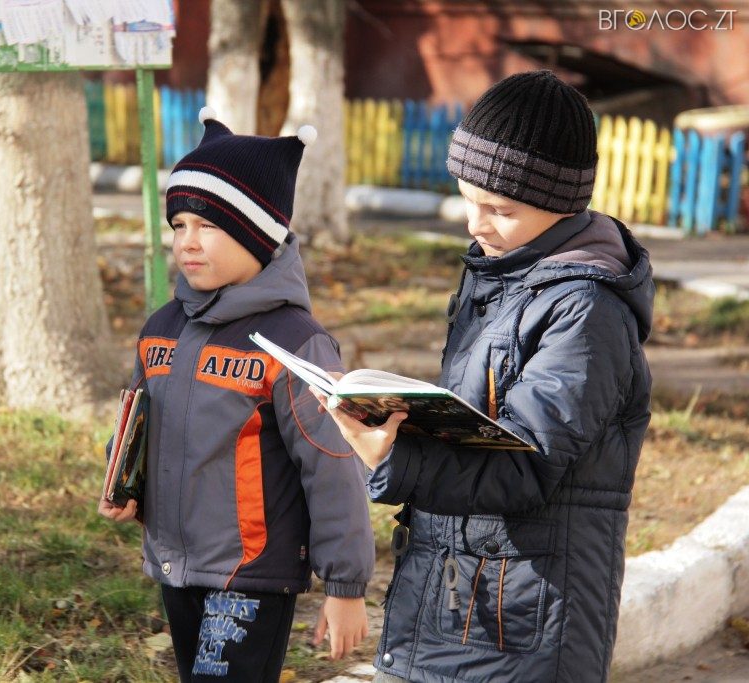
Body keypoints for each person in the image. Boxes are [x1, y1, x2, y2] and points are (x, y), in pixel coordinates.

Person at [315, 70, 655, 682]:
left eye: (501, 210)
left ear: (563, 205)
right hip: (461, 595)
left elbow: (525, 465)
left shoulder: (586, 311)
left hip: (525, 620)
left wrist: (392, 457)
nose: (476, 224)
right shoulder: (502, 274)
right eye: (469, 200)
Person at [98, 107, 375, 682]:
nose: (187, 243)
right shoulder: (161, 329)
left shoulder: (295, 343)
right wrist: (125, 481)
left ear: (258, 235)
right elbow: (139, 427)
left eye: (208, 226)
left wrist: (346, 586)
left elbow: (332, 464)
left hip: (251, 574)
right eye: (179, 225)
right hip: (177, 566)